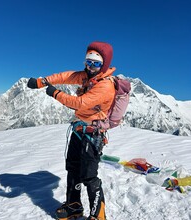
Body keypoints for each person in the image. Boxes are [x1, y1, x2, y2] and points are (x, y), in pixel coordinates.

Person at [27, 41, 116, 220]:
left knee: (89, 175)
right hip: (78, 129)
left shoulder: (105, 85)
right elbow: (66, 76)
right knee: (73, 168)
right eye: (88, 62)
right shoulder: (87, 77)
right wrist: (42, 81)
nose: (90, 67)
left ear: (103, 65)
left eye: (96, 63)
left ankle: (98, 215)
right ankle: (74, 205)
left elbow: (79, 103)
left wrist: (55, 93)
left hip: (93, 134)